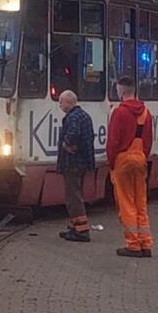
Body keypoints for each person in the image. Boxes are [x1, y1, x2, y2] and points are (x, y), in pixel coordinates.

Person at [106, 75, 154, 258]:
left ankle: (132, 244)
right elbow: (148, 140)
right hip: (140, 158)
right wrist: (143, 156)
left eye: (118, 90)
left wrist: (111, 162)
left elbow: (113, 141)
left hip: (123, 159)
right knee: (140, 202)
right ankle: (146, 243)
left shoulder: (119, 112)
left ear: (122, 91)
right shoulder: (145, 112)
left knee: (126, 203)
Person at [56, 90, 95, 243]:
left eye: (61, 102)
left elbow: (73, 133)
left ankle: (81, 231)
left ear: (69, 102)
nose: (60, 105)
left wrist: (66, 144)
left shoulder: (72, 117)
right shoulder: (84, 115)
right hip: (82, 163)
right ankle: (74, 226)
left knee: (73, 197)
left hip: (72, 163)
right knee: (75, 194)